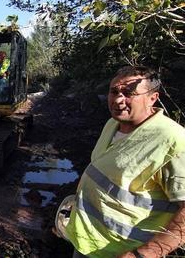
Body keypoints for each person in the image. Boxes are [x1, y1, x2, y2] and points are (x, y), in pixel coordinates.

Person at [64, 66, 185, 257]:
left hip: (122, 251)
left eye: (129, 93)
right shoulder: (112, 124)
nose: (118, 100)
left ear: (153, 98)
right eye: (114, 92)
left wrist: (143, 254)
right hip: (86, 242)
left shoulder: (172, 140)